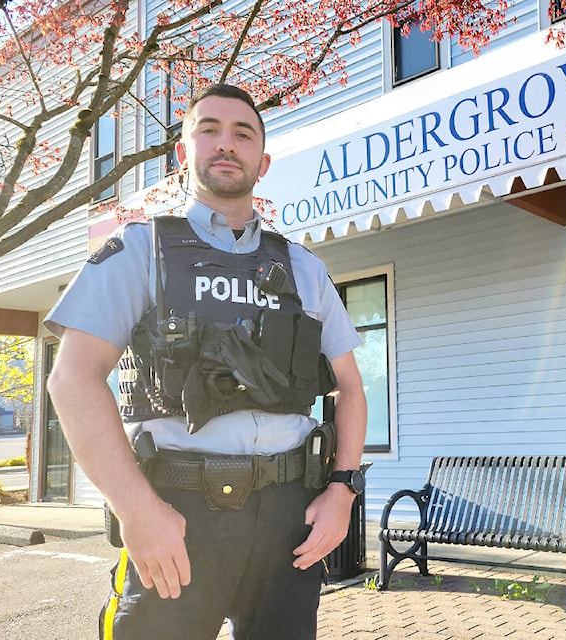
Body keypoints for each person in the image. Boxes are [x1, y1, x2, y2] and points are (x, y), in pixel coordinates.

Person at [45, 84, 367, 640]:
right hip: (176, 512)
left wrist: (342, 491)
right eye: (209, 129)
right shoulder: (141, 251)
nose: (226, 144)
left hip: (291, 518)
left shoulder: (303, 268)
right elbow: (72, 379)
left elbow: (349, 390)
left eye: (243, 134)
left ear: (261, 163)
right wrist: (136, 510)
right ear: (183, 153)